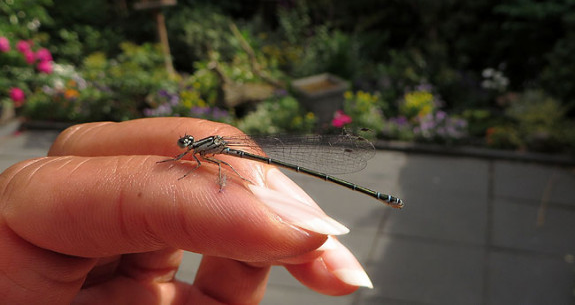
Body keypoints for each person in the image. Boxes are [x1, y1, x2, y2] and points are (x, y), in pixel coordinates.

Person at [0, 117, 373, 304]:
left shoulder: (203, 151)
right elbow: (200, 164)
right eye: (186, 145)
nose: (185, 147)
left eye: (187, 145)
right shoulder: (199, 150)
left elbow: (211, 166)